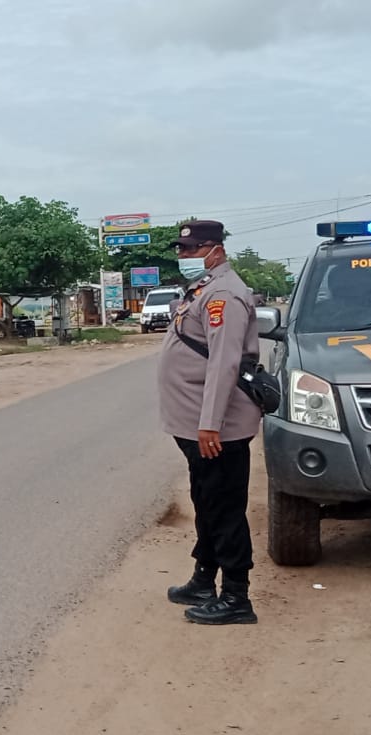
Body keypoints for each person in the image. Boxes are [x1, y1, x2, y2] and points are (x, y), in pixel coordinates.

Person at [158, 220, 261, 625]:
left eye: (191, 249)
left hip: (217, 427)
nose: (183, 256)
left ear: (215, 250)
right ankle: (205, 577)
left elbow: (224, 363)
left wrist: (210, 424)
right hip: (195, 424)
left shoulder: (224, 294)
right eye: (181, 250)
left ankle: (237, 597)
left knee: (225, 507)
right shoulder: (202, 290)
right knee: (206, 501)